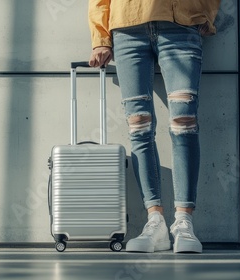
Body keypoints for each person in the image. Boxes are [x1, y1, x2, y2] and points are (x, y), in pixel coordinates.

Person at [88, 0, 221, 253]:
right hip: (127, 27)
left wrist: (207, 12)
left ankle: (184, 222)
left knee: (184, 123)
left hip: (181, 23)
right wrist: (100, 38)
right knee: (139, 126)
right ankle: (155, 221)